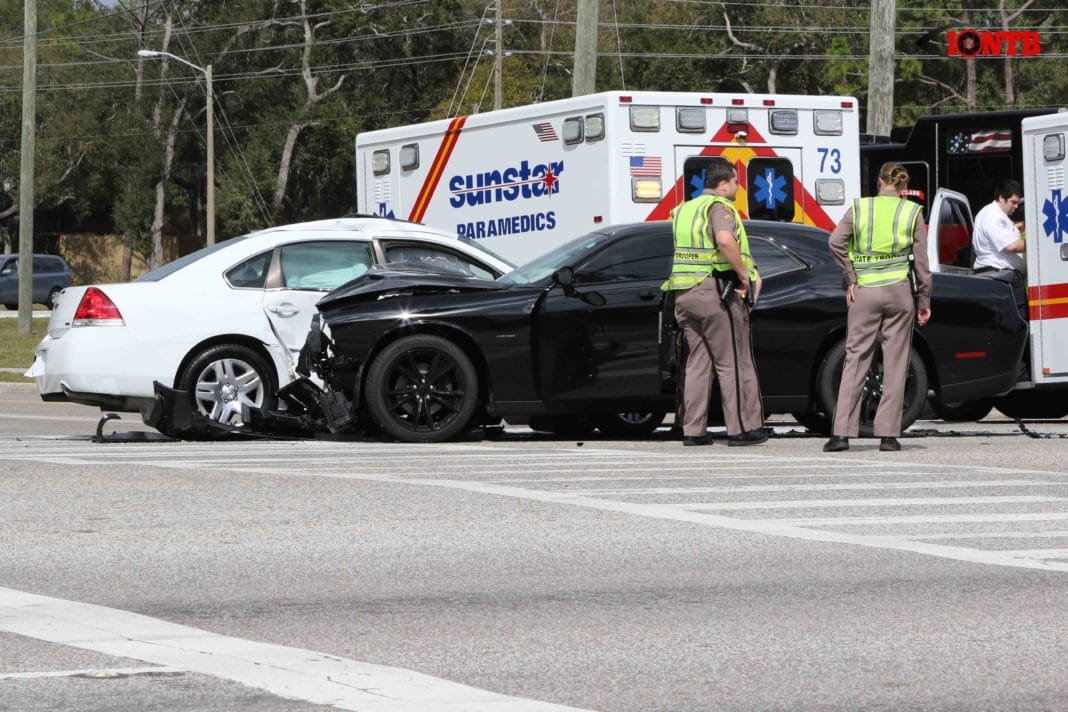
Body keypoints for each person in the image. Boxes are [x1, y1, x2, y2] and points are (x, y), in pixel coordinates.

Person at [824, 162, 931, 453]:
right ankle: (887, 436)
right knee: (896, 363)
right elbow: (922, 264)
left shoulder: (861, 208)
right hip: (899, 293)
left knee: (856, 359)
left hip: (864, 291)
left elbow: (835, 242)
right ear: (901, 186)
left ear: (879, 181)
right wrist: (924, 301)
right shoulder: (911, 212)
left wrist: (850, 277)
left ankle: (841, 434)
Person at [662, 157, 766, 447]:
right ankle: (741, 429)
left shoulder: (683, 210)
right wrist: (744, 275)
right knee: (732, 361)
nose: (738, 186)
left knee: (697, 363)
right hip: (713, 291)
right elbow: (723, 240)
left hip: (683, 292)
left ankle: (693, 430)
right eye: (735, 181)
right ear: (723, 185)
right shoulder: (718, 207)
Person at [972, 179, 1027, 323]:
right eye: (1013, 202)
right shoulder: (994, 216)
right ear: (1001, 198)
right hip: (1002, 277)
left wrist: (1017, 227)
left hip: (997, 275)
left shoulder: (990, 213)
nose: (1016, 206)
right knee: (1016, 322)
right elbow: (1012, 246)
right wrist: (1035, 243)